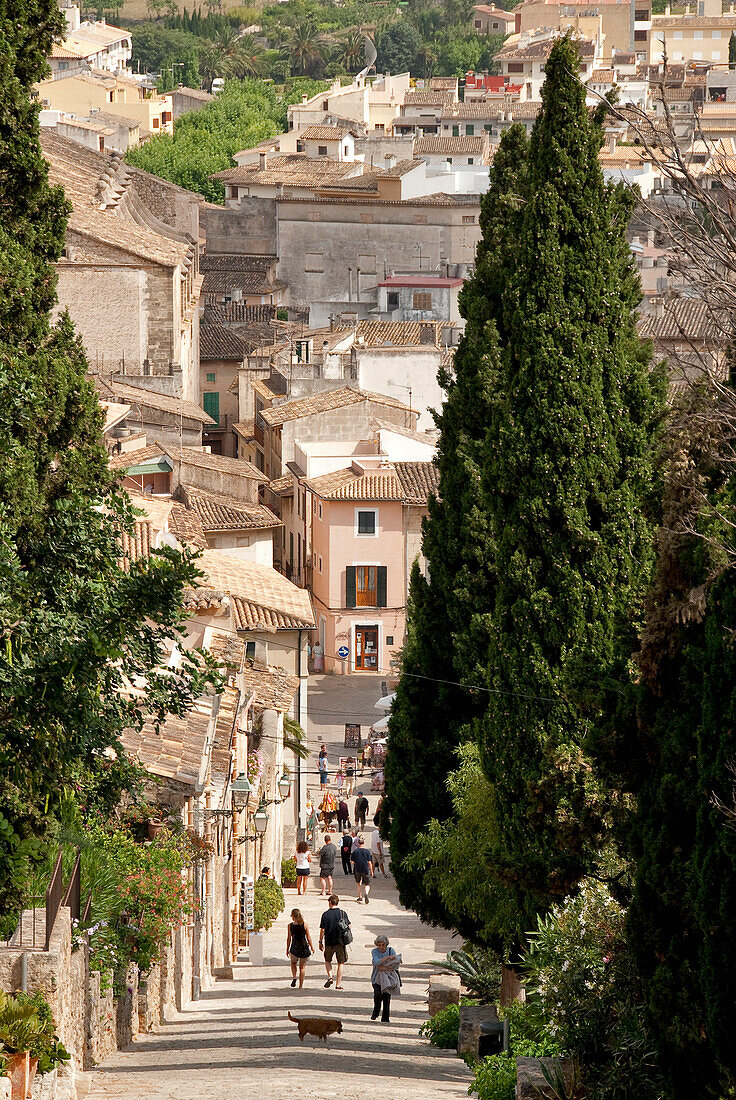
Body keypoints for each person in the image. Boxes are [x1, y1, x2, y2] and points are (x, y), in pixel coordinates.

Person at [319, 894, 350, 989]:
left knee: (328, 960)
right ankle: (338, 984)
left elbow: (322, 930)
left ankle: (330, 977)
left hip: (329, 942)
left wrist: (320, 941)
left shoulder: (325, 914)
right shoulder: (342, 913)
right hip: (340, 942)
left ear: (330, 902)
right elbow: (349, 926)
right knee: (341, 963)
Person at [371, 935, 401, 1023]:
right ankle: (375, 1012)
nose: (381, 947)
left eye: (383, 945)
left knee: (386, 997)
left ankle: (385, 1018)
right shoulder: (374, 951)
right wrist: (387, 958)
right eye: (379, 945)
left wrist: (384, 967)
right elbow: (376, 962)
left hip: (389, 978)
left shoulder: (391, 950)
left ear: (386, 944)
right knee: (377, 995)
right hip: (376, 978)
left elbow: (396, 964)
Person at [286, 908, 314, 989]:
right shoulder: (305, 924)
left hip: (294, 946)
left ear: (292, 916)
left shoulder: (290, 926)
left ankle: (294, 977)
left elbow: (289, 938)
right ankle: (301, 986)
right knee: (302, 967)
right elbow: (308, 937)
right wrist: (312, 947)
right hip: (303, 947)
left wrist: (287, 949)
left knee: (293, 963)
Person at [352, 836, 374, 904]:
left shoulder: (355, 852)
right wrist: (372, 871)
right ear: (363, 843)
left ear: (358, 843)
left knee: (358, 883)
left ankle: (360, 896)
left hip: (357, 869)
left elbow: (352, 862)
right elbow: (369, 862)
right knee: (367, 884)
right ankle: (366, 893)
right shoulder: (367, 852)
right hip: (365, 869)